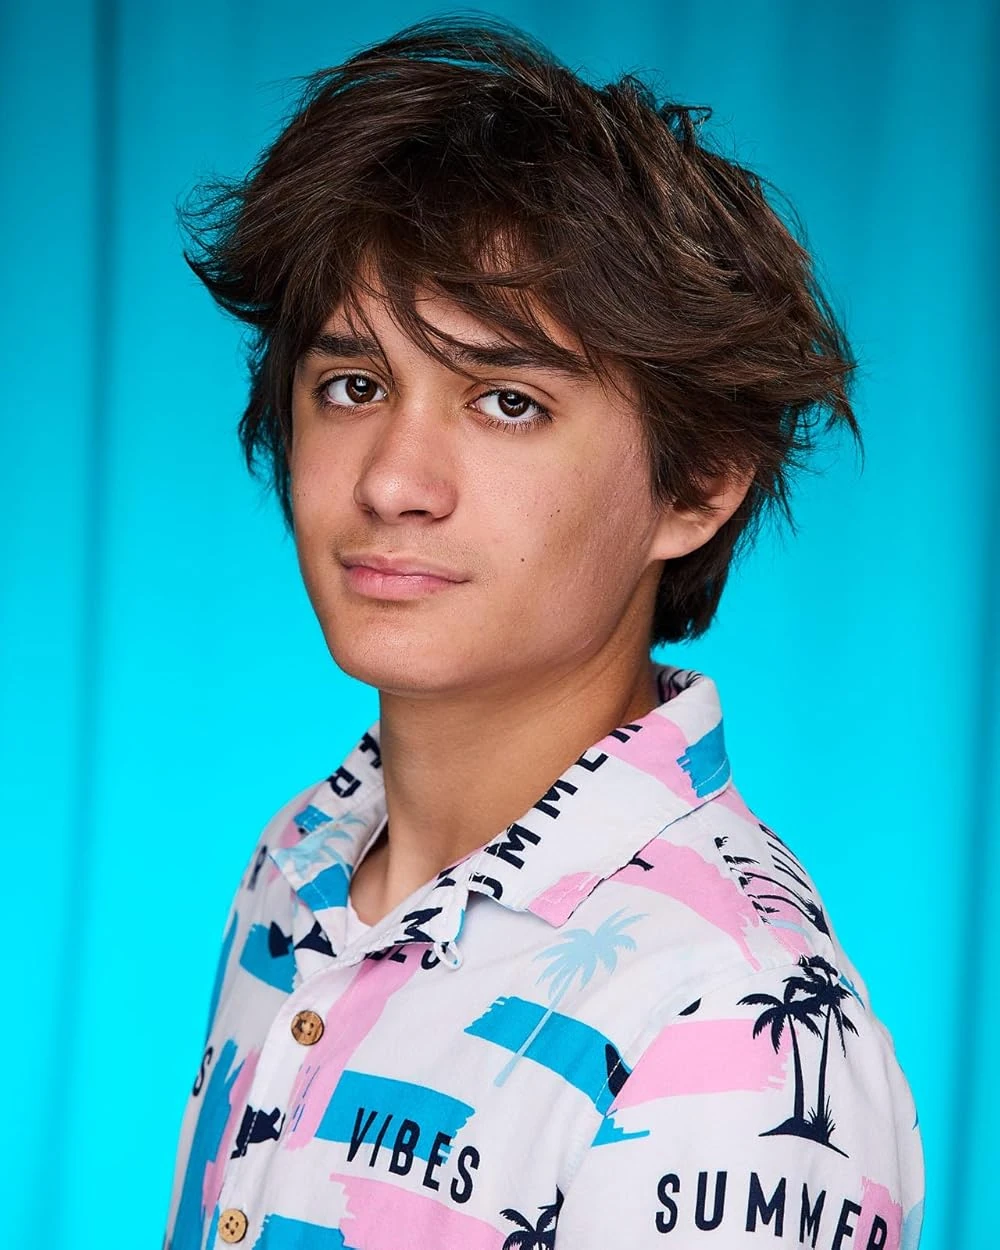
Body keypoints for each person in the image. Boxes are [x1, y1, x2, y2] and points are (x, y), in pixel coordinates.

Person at [162, 17, 923, 1250]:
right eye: (353, 385)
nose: (392, 481)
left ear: (697, 483)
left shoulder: (727, 1013)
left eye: (507, 401)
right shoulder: (297, 860)